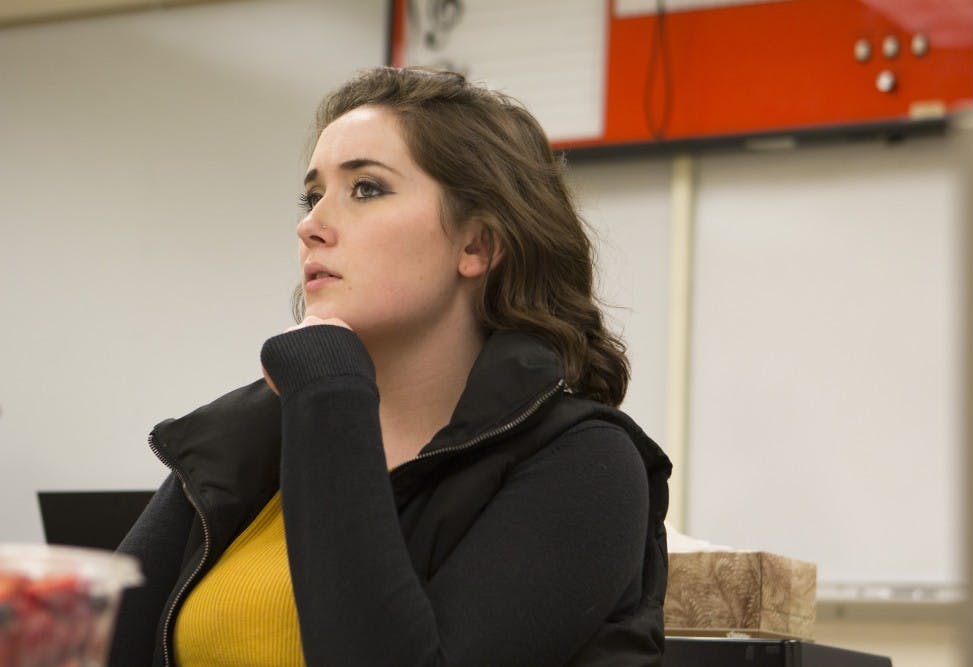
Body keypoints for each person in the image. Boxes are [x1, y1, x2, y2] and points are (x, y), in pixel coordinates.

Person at [110, 66, 672, 667]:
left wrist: (330, 390)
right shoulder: (255, 433)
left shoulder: (585, 463)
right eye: (312, 195)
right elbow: (85, 646)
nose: (310, 225)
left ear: (477, 245)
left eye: (366, 188)